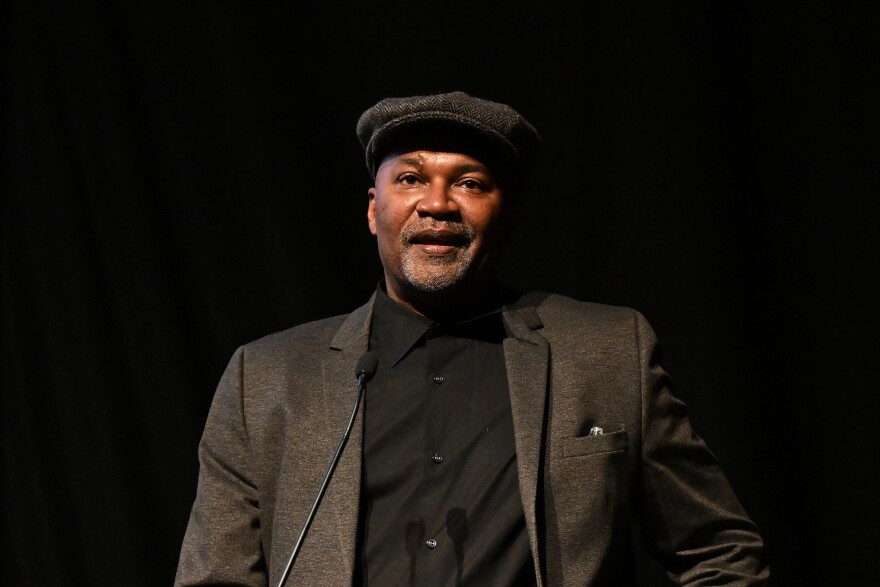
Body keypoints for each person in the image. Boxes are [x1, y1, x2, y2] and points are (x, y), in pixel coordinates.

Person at [175, 92, 768, 586]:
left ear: (506, 214)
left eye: (469, 182)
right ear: (373, 209)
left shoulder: (608, 351)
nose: (437, 204)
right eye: (411, 178)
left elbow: (719, 554)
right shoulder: (268, 376)